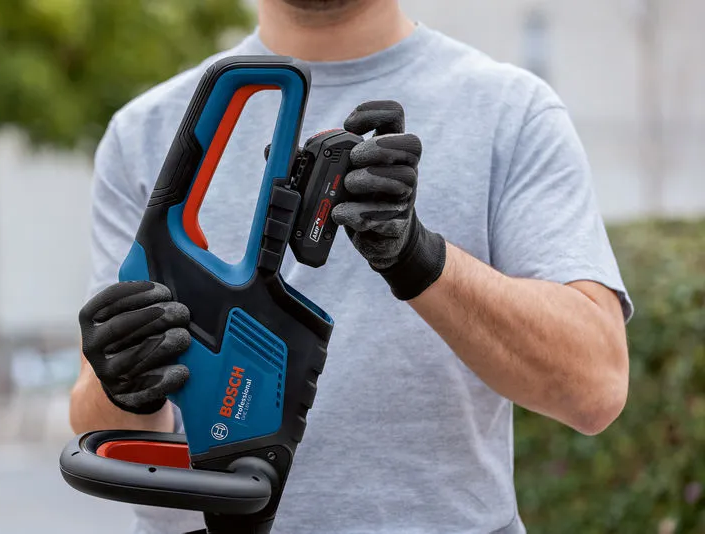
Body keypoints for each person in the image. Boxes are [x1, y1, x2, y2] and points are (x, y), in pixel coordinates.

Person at [70, 1, 633, 532]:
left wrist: (421, 259)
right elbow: (104, 425)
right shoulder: (142, 132)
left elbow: (594, 387)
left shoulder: (511, 113)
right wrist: (124, 383)